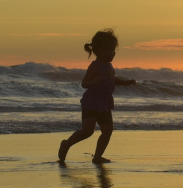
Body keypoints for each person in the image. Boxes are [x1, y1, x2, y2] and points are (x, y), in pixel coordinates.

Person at [58, 29, 137, 164]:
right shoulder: (94, 66)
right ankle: (66, 144)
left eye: (114, 50)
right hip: (92, 102)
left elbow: (112, 79)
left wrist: (125, 82)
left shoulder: (109, 66)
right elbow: (84, 83)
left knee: (107, 130)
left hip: (105, 102)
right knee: (87, 131)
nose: (114, 53)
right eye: (111, 50)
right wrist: (92, 82)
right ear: (100, 51)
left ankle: (97, 156)